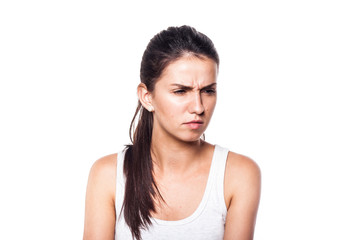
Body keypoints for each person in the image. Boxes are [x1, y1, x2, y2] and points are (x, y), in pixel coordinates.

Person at [83, 25, 261, 240]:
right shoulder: (108, 175)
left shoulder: (238, 174)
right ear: (147, 96)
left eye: (208, 91)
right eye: (180, 91)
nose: (198, 107)